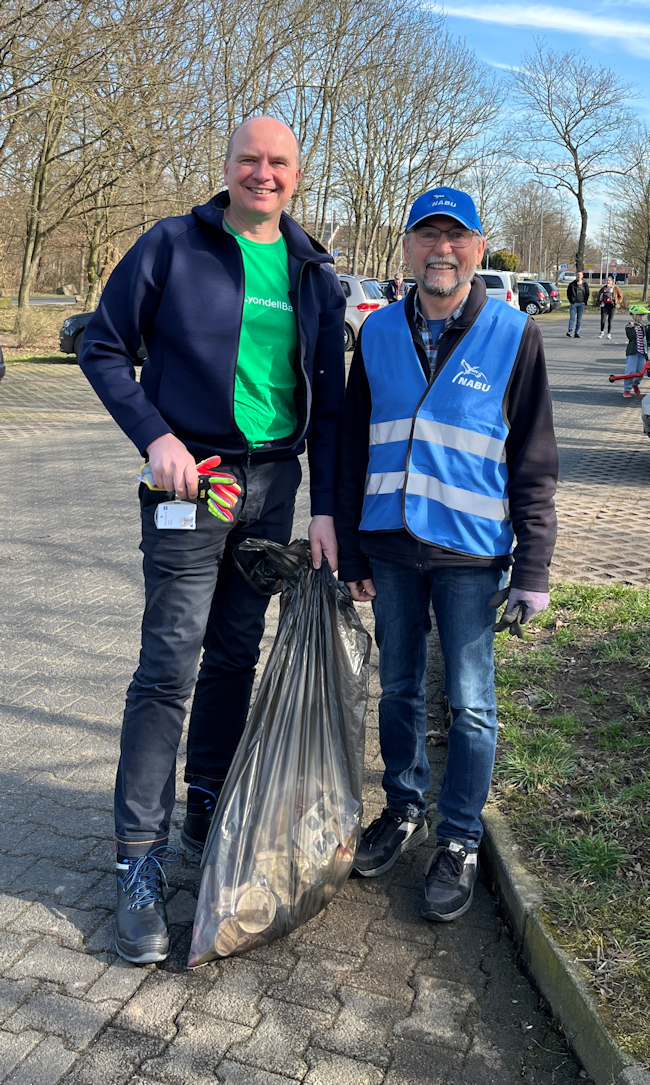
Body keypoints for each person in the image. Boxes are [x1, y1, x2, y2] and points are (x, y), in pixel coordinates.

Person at [79, 116, 345, 964]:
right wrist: (155, 436)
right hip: (188, 483)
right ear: (226, 167)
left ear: (296, 175)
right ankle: (137, 860)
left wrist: (326, 509)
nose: (262, 174)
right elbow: (103, 345)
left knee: (235, 651)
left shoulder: (315, 274)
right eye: (248, 159)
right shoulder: (170, 246)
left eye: (278, 163)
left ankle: (205, 805)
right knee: (169, 662)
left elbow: (330, 411)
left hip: (273, 487)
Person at [335, 186, 557, 922]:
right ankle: (404, 807)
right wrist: (351, 546)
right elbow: (350, 444)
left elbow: (533, 459)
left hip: (471, 553)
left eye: (456, 237)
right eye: (427, 235)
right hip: (391, 546)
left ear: (478, 246)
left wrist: (534, 568)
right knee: (397, 688)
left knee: (471, 704)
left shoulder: (513, 334)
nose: (442, 249)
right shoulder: (375, 335)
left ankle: (458, 836)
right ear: (406, 247)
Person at [622, 304, 650, 398]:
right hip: (633, 353)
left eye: (642, 315)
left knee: (640, 373)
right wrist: (631, 328)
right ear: (634, 315)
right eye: (639, 315)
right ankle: (627, 389)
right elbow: (631, 337)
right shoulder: (630, 326)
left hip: (642, 353)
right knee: (631, 371)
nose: (641, 317)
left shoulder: (644, 327)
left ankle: (635, 384)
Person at [566, 271, 589, 338]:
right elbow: (568, 293)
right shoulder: (572, 284)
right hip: (574, 304)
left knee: (579, 319)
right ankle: (570, 330)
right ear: (576, 276)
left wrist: (585, 301)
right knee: (572, 318)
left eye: (580, 275)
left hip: (581, 304)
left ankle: (577, 332)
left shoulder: (585, 284)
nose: (579, 276)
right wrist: (571, 301)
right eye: (578, 275)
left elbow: (587, 293)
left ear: (582, 276)